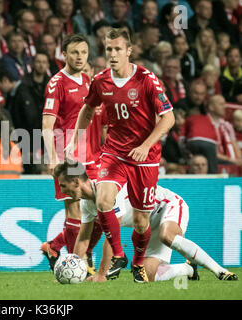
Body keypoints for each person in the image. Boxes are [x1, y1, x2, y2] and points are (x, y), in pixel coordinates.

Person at [67, 28, 175, 283]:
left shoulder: (148, 80)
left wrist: (146, 145)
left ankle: (138, 262)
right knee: (104, 201)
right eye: (108, 50)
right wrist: (74, 141)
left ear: (129, 51)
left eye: (117, 49)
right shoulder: (101, 81)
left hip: (144, 158)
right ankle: (118, 254)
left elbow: (169, 118)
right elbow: (87, 108)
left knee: (140, 222)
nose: (112, 54)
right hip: (114, 152)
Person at [53, 161, 238, 282]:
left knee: (168, 236)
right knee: (148, 275)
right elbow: (83, 239)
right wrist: (74, 265)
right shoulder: (86, 203)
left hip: (167, 205)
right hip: (147, 225)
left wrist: (101, 274)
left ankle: (220, 271)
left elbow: (113, 233)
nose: (62, 190)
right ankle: (188, 269)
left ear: (76, 181)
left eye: (63, 185)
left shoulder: (107, 188)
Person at [41, 34, 104, 270]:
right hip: (66, 153)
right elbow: (47, 126)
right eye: (75, 52)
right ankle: (77, 263)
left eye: (84, 52)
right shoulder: (56, 83)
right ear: (64, 54)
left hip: (92, 153)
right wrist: (53, 158)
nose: (79, 57)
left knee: (101, 205)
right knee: (74, 207)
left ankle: (56, 246)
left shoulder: (89, 81)